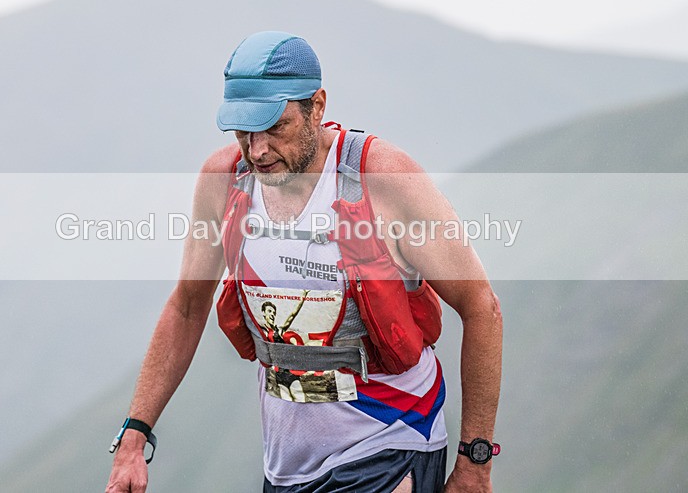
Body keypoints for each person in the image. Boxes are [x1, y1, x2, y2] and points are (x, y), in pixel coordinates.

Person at [106, 31, 502, 492]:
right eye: (244, 130)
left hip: (392, 442)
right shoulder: (225, 181)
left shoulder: (384, 179)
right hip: (287, 466)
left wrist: (476, 463)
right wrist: (135, 434)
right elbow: (188, 306)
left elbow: (481, 306)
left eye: (275, 127)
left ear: (317, 106)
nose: (257, 150)